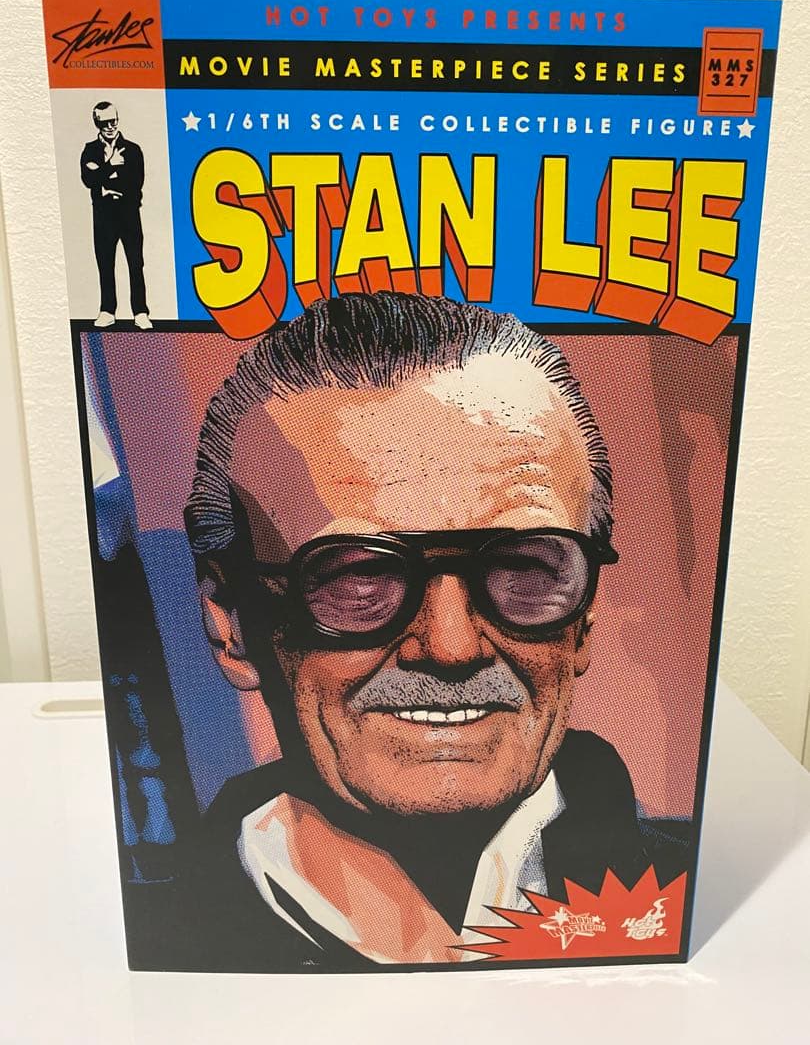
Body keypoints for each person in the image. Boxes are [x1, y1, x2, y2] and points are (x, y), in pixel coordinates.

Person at [182, 291, 691, 970]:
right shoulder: (163, 947)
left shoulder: (697, 905)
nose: (452, 646)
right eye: (358, 576)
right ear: (232, 623)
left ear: (584, 617)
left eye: (522, 566)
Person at [80, 102, 152, 329]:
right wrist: (111, 166)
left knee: (135, 263)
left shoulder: (132, 150)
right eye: (105, 122)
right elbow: (88, 180)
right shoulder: (90, 150)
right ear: (97, 123)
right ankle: (107, 310)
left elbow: (135, 183)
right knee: (105, 263)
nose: (110, 126)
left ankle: (140, 312)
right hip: (103, 217)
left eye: (114, 121)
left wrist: (104, 181)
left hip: (129, 215)